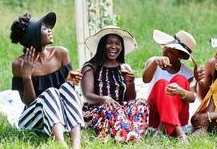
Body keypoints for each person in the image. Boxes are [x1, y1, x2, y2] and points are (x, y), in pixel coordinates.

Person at [10, 12, 84, 149]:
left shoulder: (61, 53)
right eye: (44, 28)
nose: (50, 30)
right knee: (51, 92)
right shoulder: (19, 64)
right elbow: (28, 102)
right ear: (33, 37)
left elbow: (67, 95)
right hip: (34, 118)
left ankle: (76, 145)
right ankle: (61, 144)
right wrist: (27, 77)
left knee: (66, 88)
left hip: (61, 116)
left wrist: (70, 81)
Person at [81, 26, 149, 142]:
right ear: (102, 45)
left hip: (120, 107)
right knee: (113, 109)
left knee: (141, 103)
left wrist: (130, 83)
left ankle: (135, 134)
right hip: (98, 110)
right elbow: (87, 95)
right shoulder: (91, 67)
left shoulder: (124, 67)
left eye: (117, 44)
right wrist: (105, 99)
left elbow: (130, 98)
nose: (114, 47)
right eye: (109, 43)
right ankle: (128, 136)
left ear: (121, 47)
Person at [142, 29, 204, 141]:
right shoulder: (154, 61)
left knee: (179, 79)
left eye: (173, 50)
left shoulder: (187, 73)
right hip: (155, 114)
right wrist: (156, 63)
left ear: (181, 55)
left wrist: (181, 91)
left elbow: (192, 98)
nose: (167, 51)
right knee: (161, 84)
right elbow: (145, 79)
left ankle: (162, 128)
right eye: (167, 47)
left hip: (179, 115)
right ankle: (179, 132)